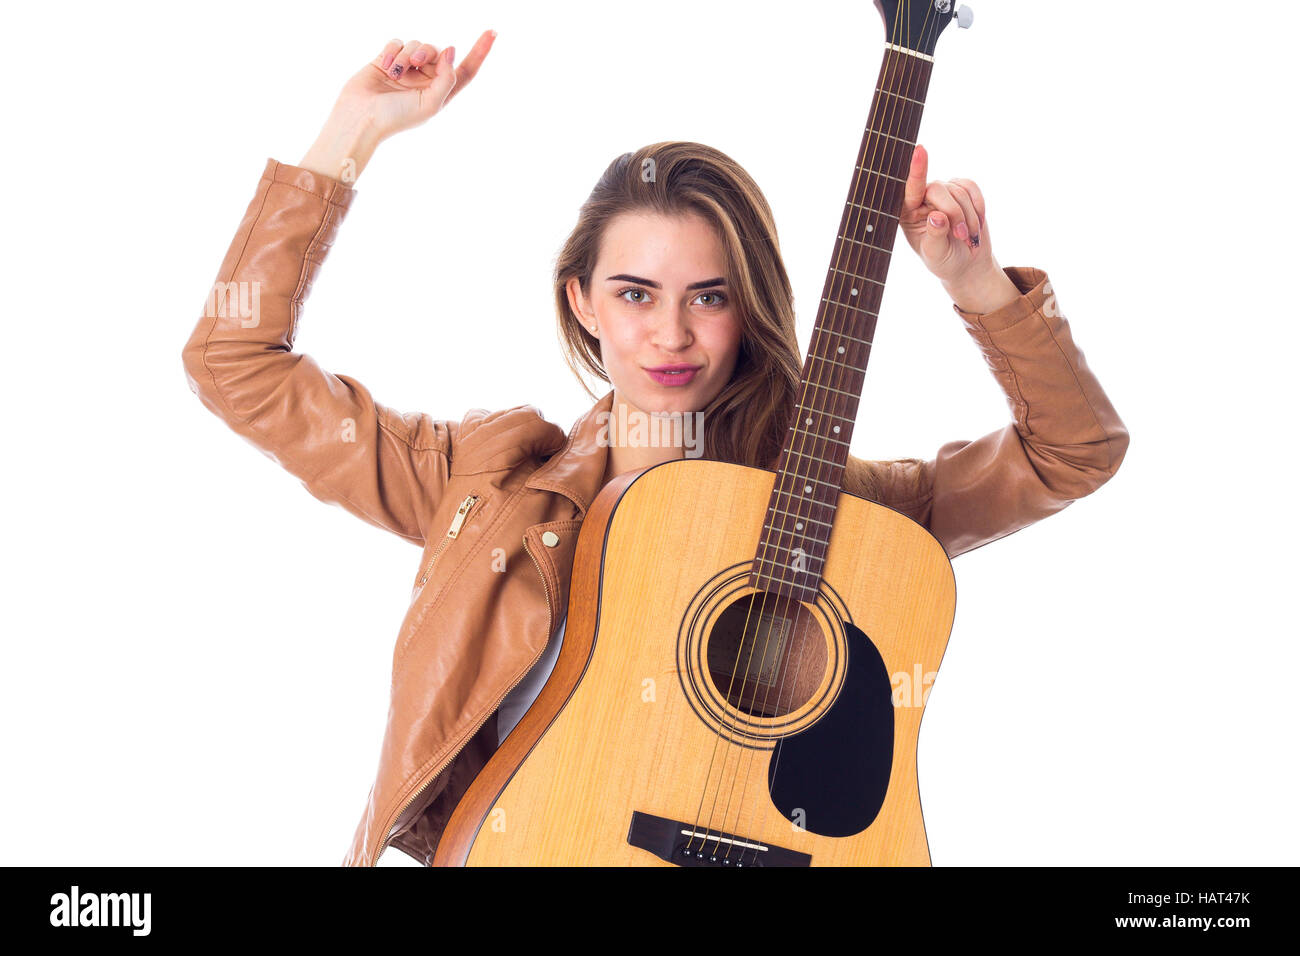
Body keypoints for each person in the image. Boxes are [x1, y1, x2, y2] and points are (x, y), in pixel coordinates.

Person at [181, 33, 1129, 866]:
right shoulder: (488, 486)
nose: (671, 334)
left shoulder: (843, 522)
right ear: (581, 302)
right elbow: (234, 362)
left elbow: (1072, 453)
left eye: (708, 296)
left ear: (746, 309)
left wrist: (977, 285)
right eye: (636, 294)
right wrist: (352, 133)